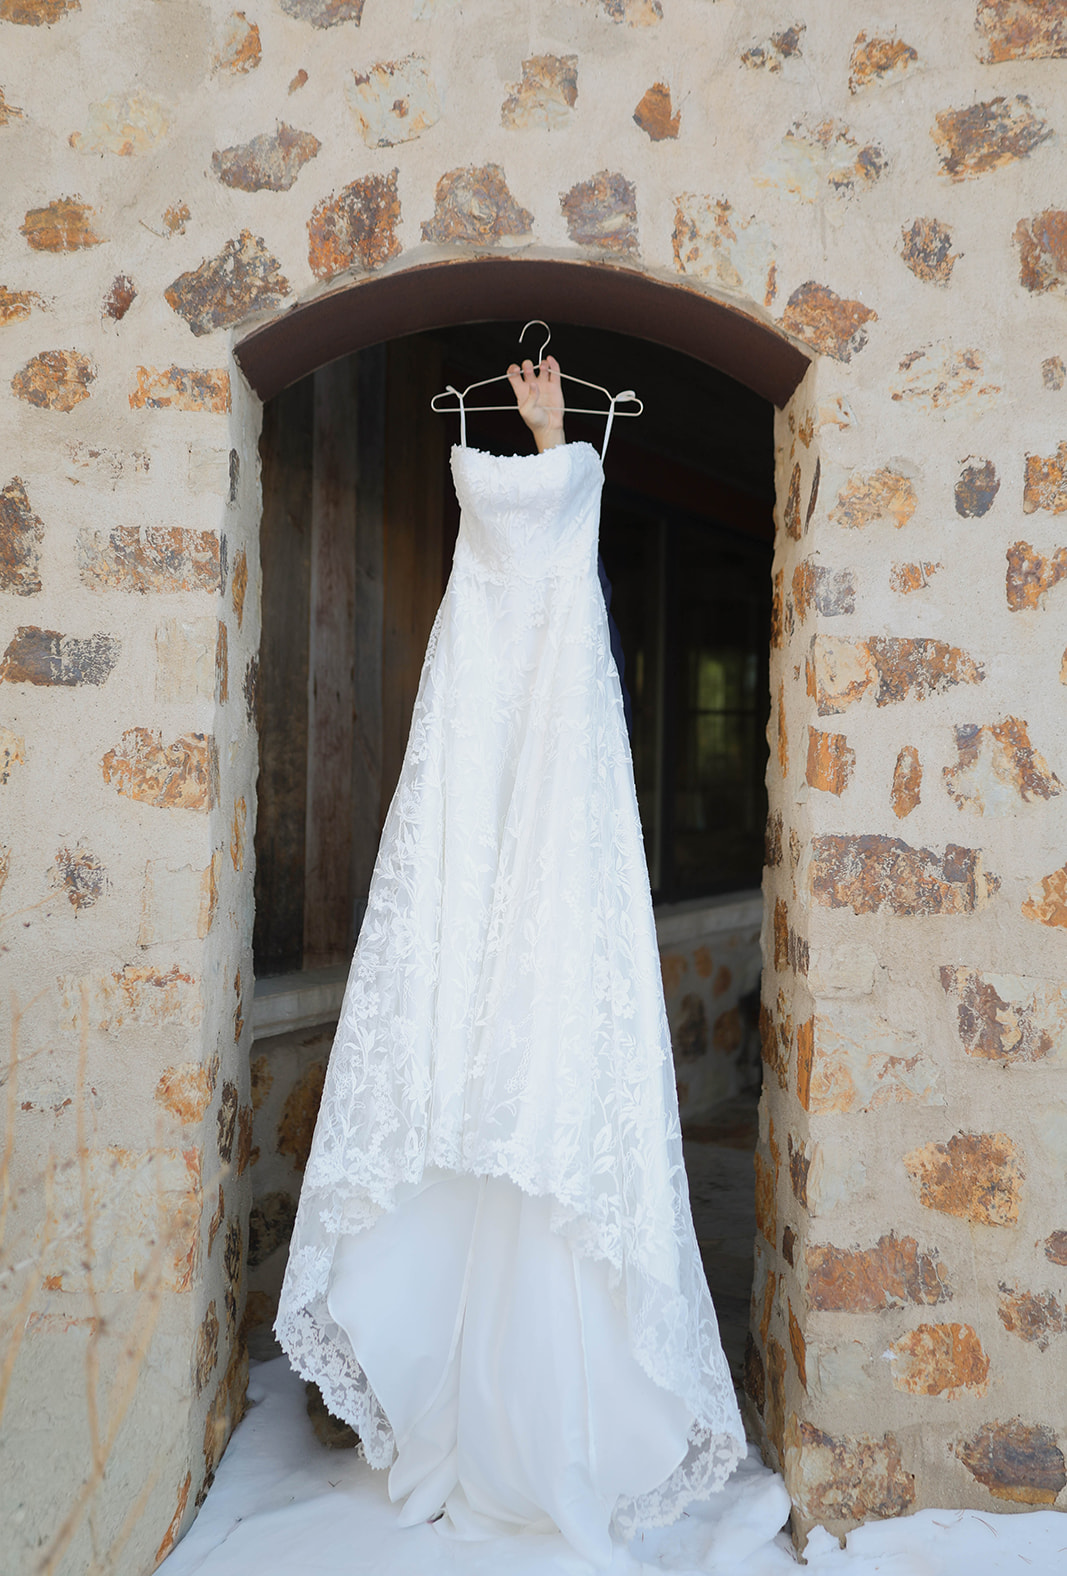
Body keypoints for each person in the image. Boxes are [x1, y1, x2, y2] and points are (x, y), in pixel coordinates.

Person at [274, 351, 745, 1567]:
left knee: (536, 1043)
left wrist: (550, 438)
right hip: (474, 745)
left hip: (548, 761)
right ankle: (464, 1404)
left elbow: (565, 595)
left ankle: (546, 1424)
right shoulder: (477, 507)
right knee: (454, 1037)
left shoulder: (581, 476)